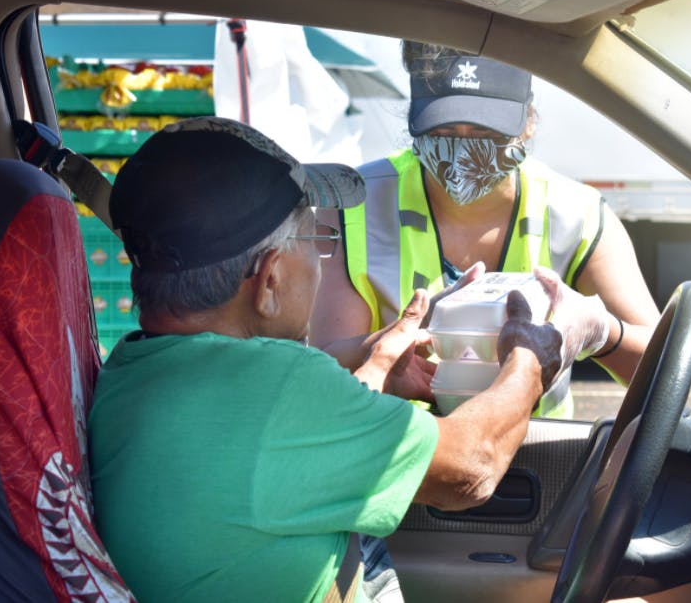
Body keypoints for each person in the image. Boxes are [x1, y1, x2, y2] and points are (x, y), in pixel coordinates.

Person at [88, 116, 570, 602]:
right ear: (270, 279)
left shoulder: (127, 373)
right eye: (316, 242)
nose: (321, 261)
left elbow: (265, 451)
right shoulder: (279, 388)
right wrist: (530, 357)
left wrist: (376, 363)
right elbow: (472, 466)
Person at [310, 41, 661, 419]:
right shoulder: (354, 203)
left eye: (485, 131)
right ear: (415, 121)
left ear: (528, 121)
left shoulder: (576, 214)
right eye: (443, 131)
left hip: (539, 456)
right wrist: (407, 335)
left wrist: (602, 333)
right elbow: (320, 366)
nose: (463, 149)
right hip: (402, 451)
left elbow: (664, 367)